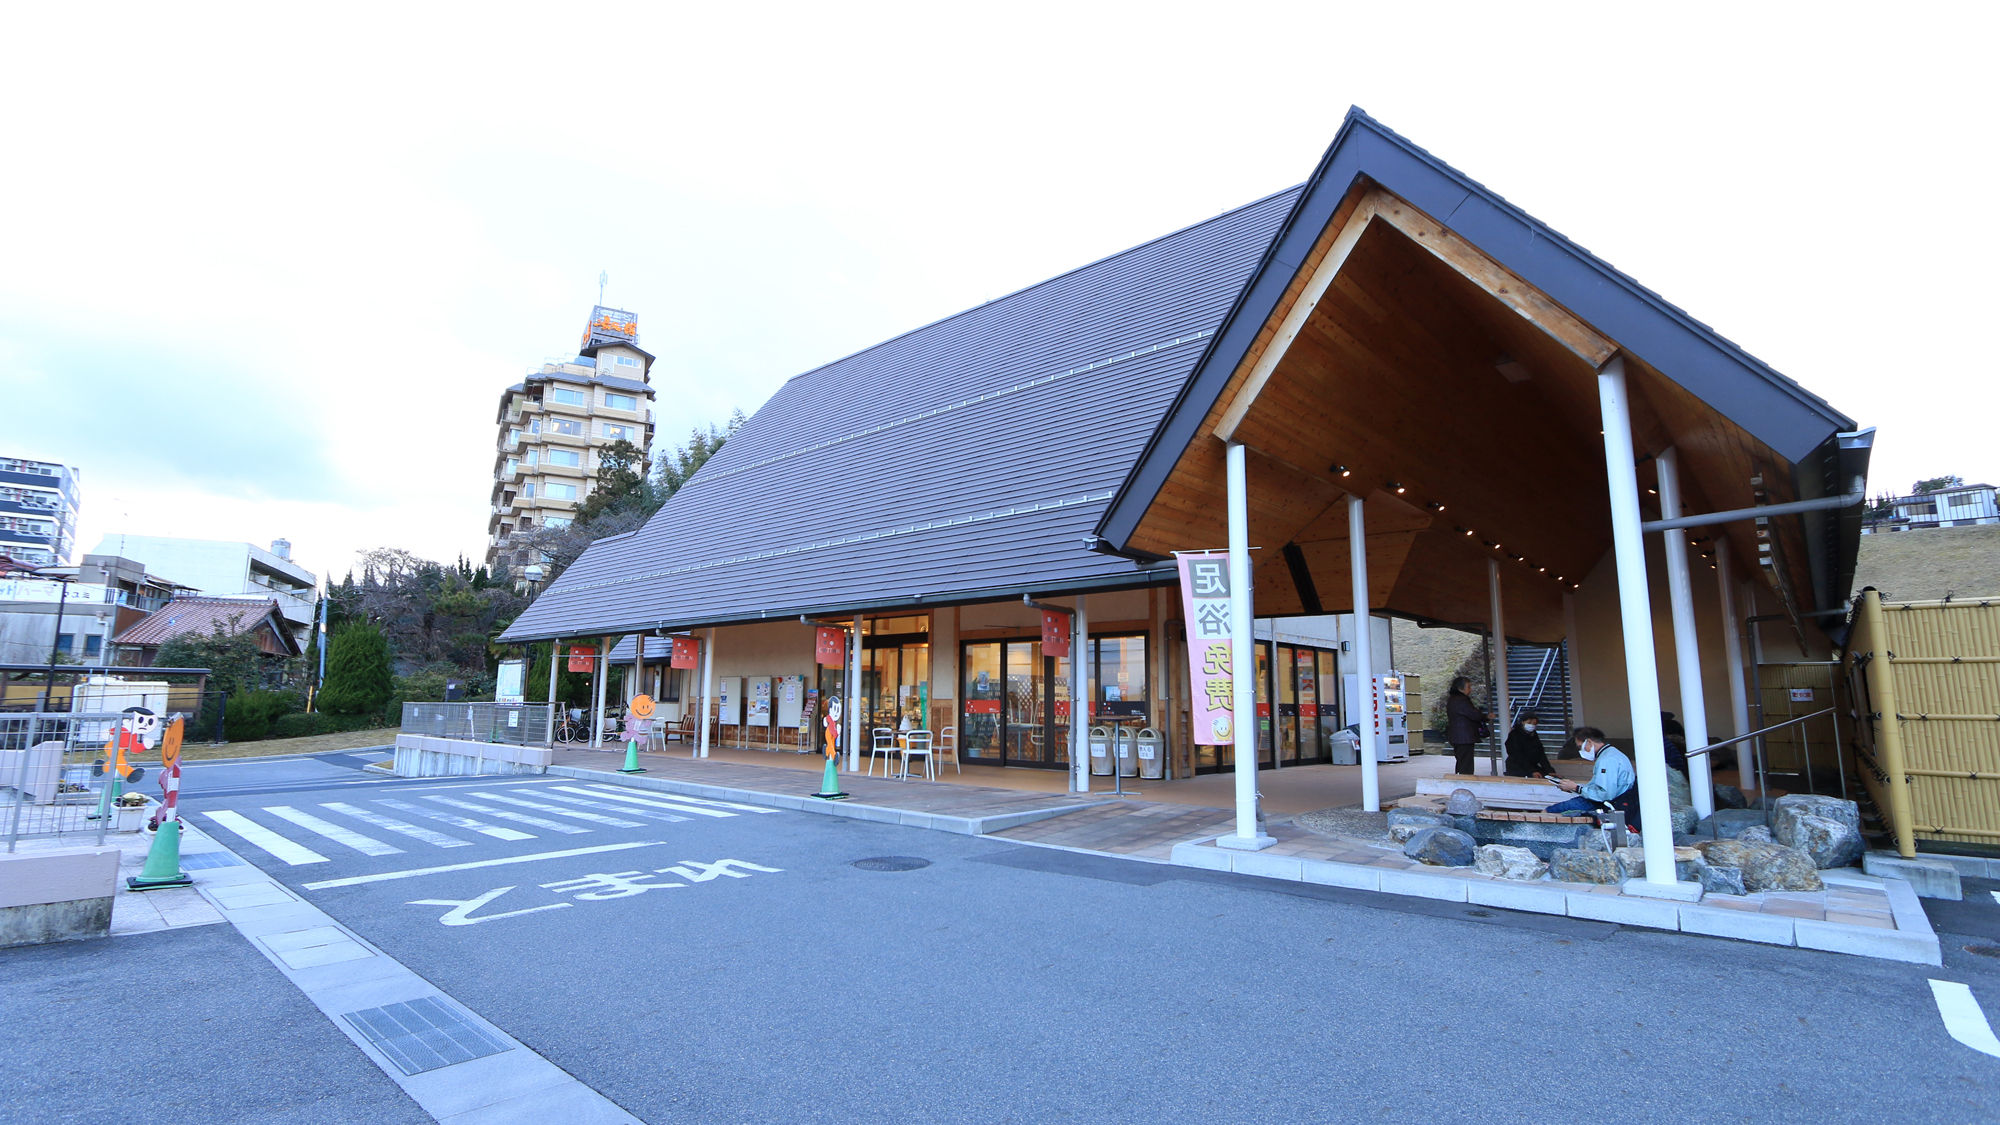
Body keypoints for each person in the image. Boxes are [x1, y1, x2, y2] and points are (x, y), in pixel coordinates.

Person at [1544, 726, 1641, 832]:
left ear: (1589, 742)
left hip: (1603, 803)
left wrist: (1576, 788)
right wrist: (1572, 787)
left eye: (1581, 747)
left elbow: (1605, 794)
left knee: (1548, 812)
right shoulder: (1615, 754)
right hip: (1615, 800)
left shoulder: (1606, 761)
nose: (1581, 751)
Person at [1444, 676, 1488, 776]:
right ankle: (1464, 783)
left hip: (1457, 736)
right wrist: (1485, 716)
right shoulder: (1462, 700)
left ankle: (1461, 779)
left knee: (1462, 762)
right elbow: (1474, 714)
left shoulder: (1453, 699)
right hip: (1464, 737)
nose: (1470, 690)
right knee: (1466, 765)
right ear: (1460, 688)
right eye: (1468, 687)